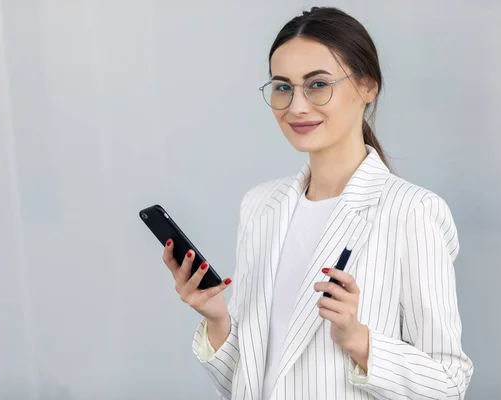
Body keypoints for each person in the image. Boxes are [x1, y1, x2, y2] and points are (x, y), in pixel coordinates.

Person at [162, 6, 474, 400]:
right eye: (282, 87)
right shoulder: (260, 207)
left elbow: (448, 384)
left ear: (368, 87)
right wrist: (217, 318)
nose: (296, 106)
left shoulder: (411, 212)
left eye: (317, 84)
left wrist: (359, 340)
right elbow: (246, 384)